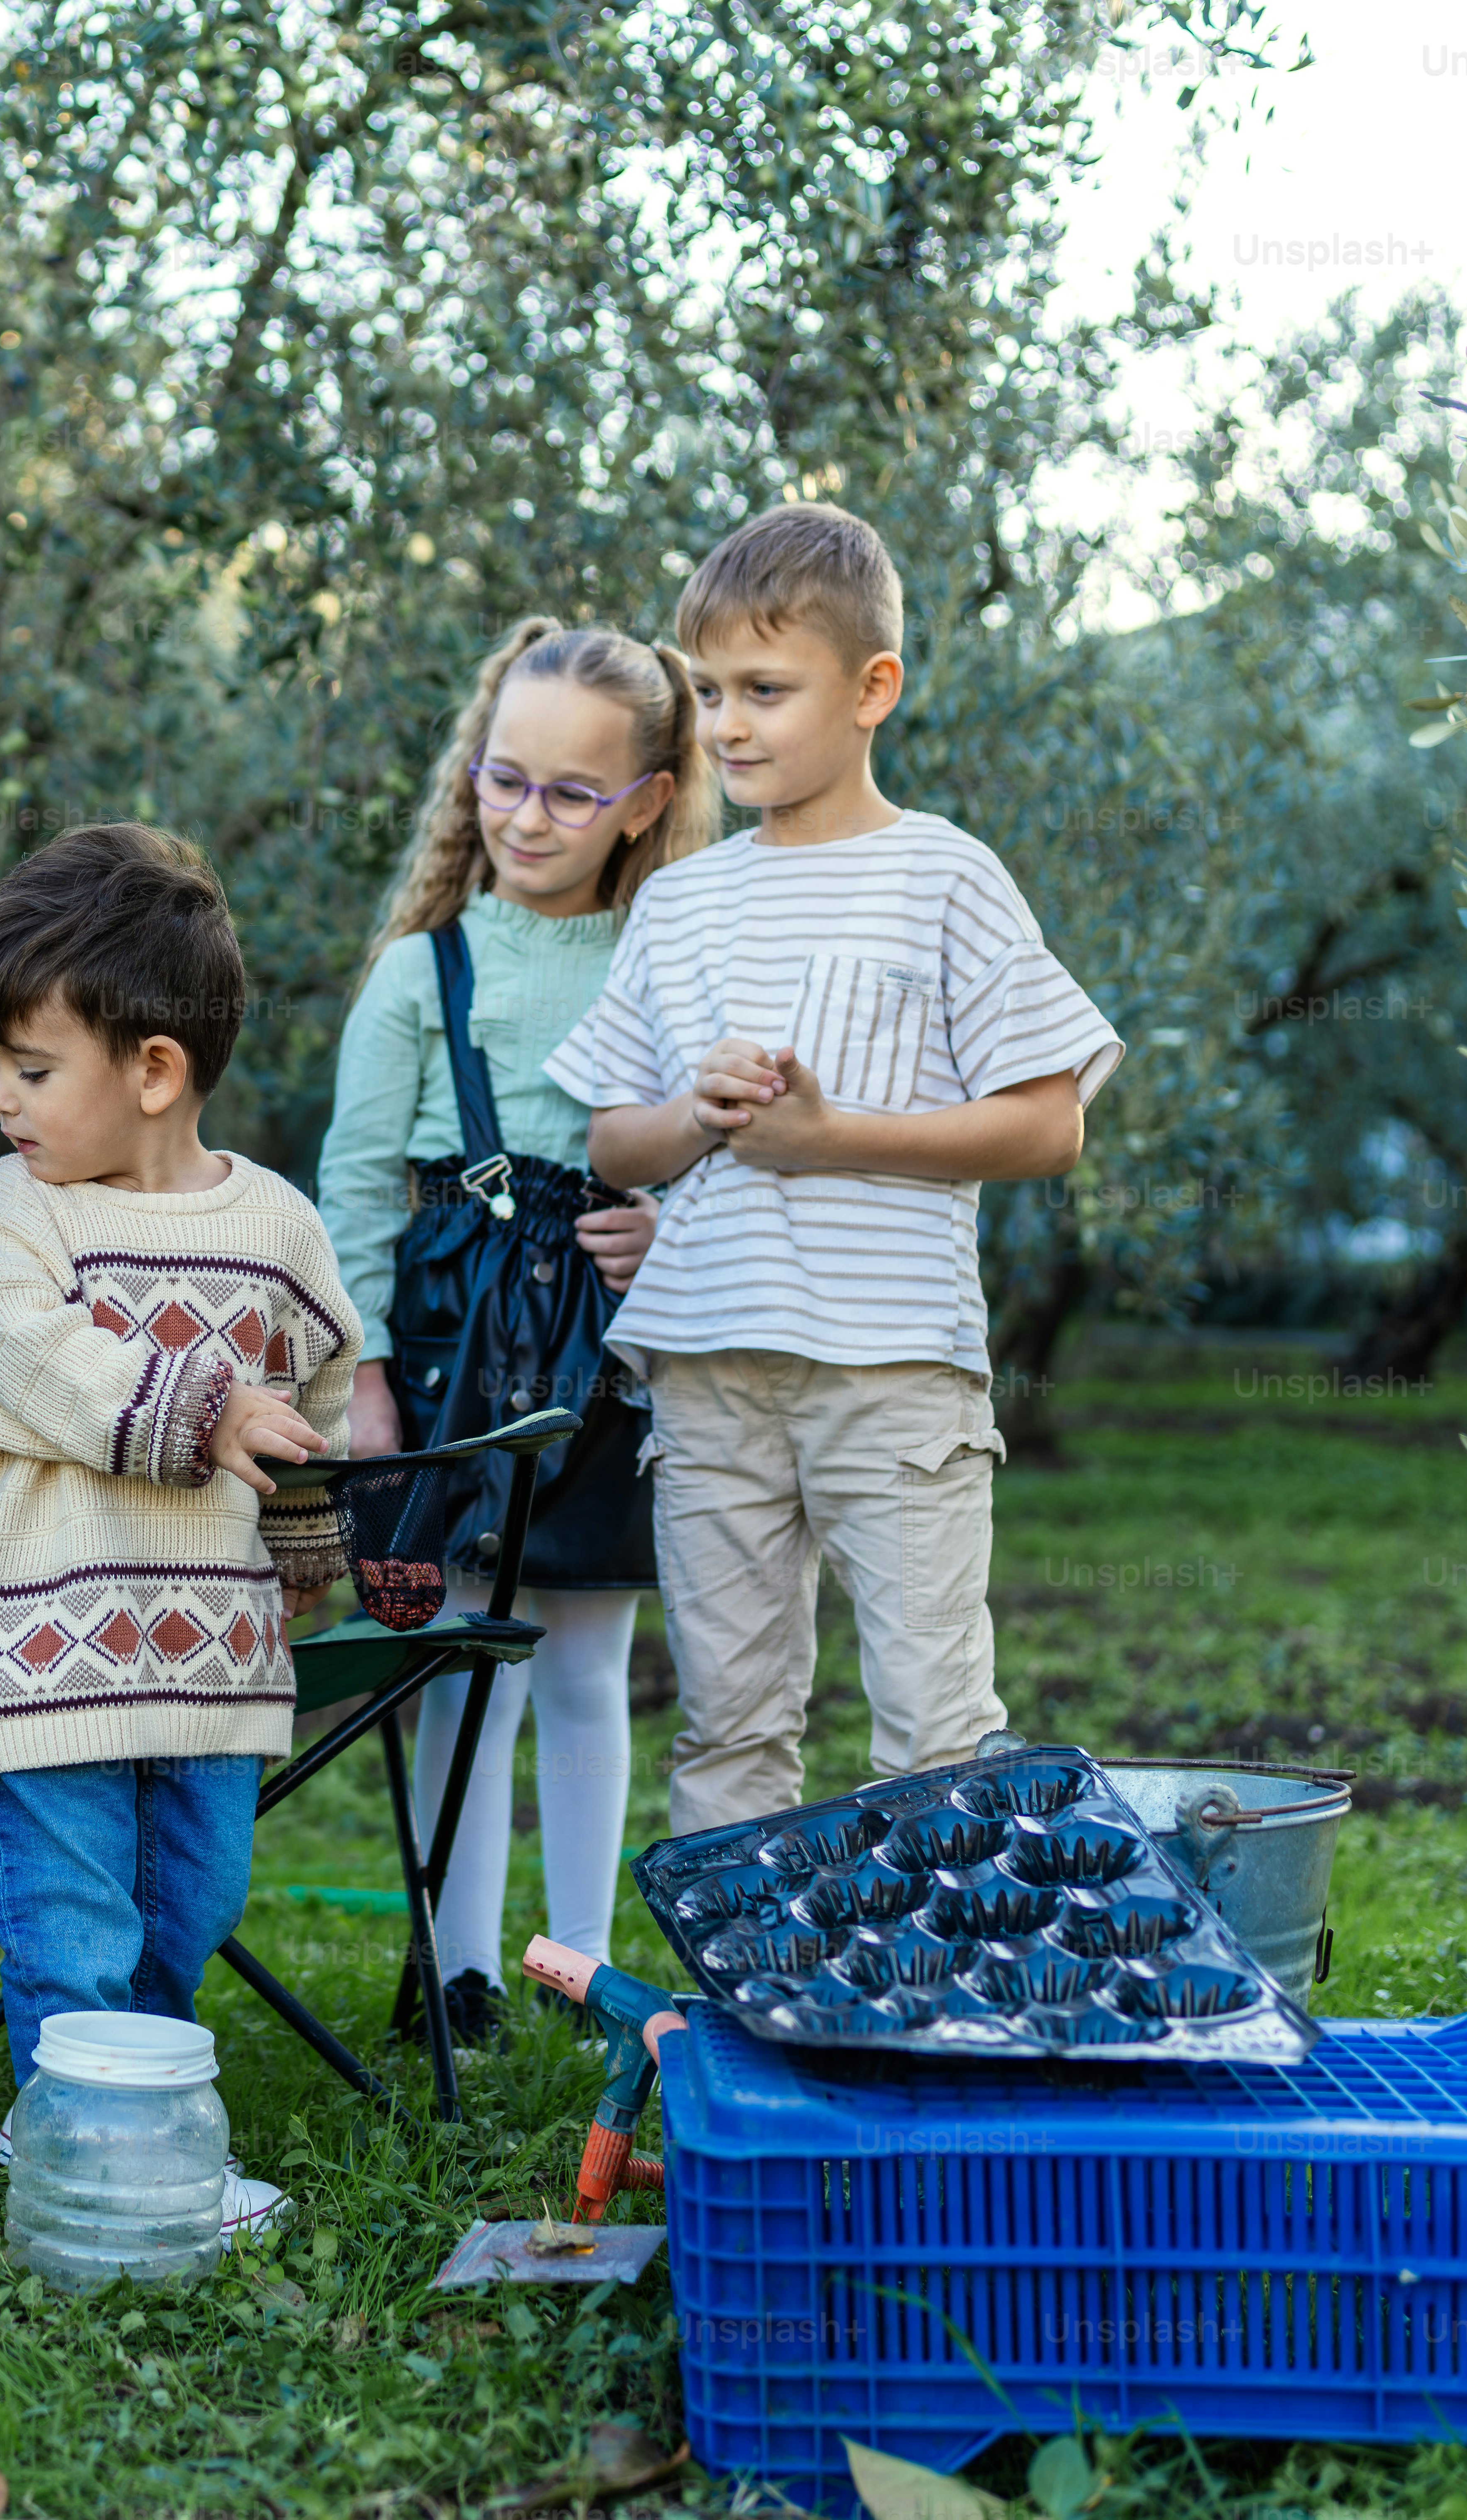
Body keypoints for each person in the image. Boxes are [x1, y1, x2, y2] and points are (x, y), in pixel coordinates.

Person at [549, 503, 1119, 1831]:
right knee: (729, 1724)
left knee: (934, 1724)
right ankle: (750, 2019)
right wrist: (698, 1116)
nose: (729, 725)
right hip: (708, 1370)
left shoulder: (943, 876)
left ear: (873, 690)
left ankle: (937, 2021)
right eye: (707, 693)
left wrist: (830, 1139)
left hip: (893, 1371)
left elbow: (1048, 1125)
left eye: (764, 689)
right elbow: (610, 1142)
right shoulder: (681, 901)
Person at [0, 822, 358, 2240]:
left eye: (30, 1070)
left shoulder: (276, 1229)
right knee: (74, 1922)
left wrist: (311, 1553)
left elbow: (319, 1396)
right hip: (33, 1641)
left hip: (209, 1655)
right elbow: (27, 1352)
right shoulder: (14, 1217)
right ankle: (101, 2170)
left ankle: (105, 2119)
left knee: (191, 1906)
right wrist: (205, 1408)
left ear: (154, 1070)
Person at [314, 618, 713, 2044]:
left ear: (649, 804)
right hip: (445, 1344)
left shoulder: (675, 959)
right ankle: (459, 1968)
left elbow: (725, 1157)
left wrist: (673, 1238)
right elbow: (352, 1185)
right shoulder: (425, 973)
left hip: (602, 1343)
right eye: (502, 781)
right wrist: (360, 1377)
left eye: (569, 794)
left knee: (588, 1663)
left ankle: (581, 1965)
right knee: (458, 1662)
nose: (525, 819)